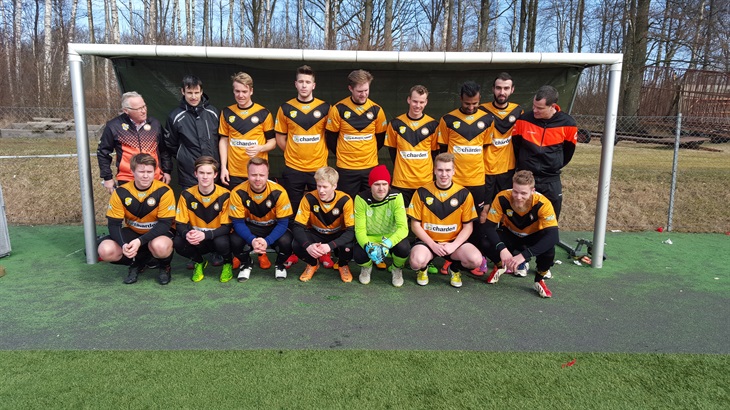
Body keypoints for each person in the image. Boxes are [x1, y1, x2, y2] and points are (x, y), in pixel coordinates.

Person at [274, 65, 332, 270]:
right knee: (294, 211)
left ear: (313, 85)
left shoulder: (326, 108)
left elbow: (331, 135)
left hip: (319, 169)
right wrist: (293, 153)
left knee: (321, 211)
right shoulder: (285, 108)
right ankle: (294, 250)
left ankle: (323, 251)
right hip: (293, 168)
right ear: (295, 84)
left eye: (308, 82)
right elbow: (280, 137)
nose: (304, 85)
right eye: (301, 81)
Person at [436, 81, 494, 277]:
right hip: (455, 181)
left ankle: (474, 258)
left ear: (480, 99)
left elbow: (485, 149)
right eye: (467, 103)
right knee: (452, 219)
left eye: (475, 103)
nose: (471, 107)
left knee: (475, 221)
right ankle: (449, 258)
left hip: (477, 180)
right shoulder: (448, 119)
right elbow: (443, 151)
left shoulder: (487, 120)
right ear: (460, 98)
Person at [407, 153, 483, 288]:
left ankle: (454, 269)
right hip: (428, 243)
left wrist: (453, 245)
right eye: (440, 170)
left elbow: (468, 227)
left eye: (448, 170)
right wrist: (432, 245)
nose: (444, 174)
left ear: (454, 171)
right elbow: (415, 226)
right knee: (415, 262)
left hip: (453, 243)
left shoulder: (464, 194)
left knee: (476, 260)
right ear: (434, 171)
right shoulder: (422, 192)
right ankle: (423, 269)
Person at [97, 153, 175, 285]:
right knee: (105, 250)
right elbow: (114, 224)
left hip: (157, 233)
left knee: (160, 246)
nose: (145, 176)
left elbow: (165, 224)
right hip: (133, 231)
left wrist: (140, 241)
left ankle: (164, 266)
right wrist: (123, 245)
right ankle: (137, 263)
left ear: (155, 172)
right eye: (141, 172)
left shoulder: (164, 191)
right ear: (132, 172)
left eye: (149, 172)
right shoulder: (121, 192)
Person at [482, 170, 559, 298]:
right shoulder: (502, 197)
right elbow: (489, 227)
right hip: (511, 234)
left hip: (533, 236)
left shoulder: (543, 203)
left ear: (533, 191)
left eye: (523, 193)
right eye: (515, 191)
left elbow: (553, 236)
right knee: (484, 241)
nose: (518, 197)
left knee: (549, 248)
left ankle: (539, 279)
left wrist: (524, 255)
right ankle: (500, 265)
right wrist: (502, 249)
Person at [511, 85, 578, 219]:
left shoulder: (568, 123)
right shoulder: (523, 120)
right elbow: (516, 146)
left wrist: (553, 164)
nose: (535, 110)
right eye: (534, 106)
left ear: (552, 106)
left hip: (551, 179)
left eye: (540, 108)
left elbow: (568, 152)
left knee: (550, 219)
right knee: (521, 218)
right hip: (526, 178)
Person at [228, 157, 294, 281]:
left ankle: (280, 265)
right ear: (247, 174)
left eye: (261, 175)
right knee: (234, 240)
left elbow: (283, 223)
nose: (257, 179)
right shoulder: (237, 192)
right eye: (253, 175)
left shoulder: (279, 192)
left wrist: (267, 241)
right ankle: (246, 263)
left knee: (287, 240)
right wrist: (252, 240)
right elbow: (238, 223)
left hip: (272, 227)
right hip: (250, 227)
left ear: (267, 174)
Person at [325, 69, 388, 199]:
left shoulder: (377, 110)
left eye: (366, 90)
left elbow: (380, 139)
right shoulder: (338, 109)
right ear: (350, 88)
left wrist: (367, 153)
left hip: (370, 167)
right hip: (346, 168)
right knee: (347, 204)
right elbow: (331, 139)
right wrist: (344, 154)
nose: (363, 94)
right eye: (360, 91)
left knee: (371, 204)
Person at [173, 156, 235, 283]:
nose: (205, 177)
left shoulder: (225, 195)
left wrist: (205, 235)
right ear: (195, 174)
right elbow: (180, 224)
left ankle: (227, 263)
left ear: (215, 175)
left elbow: (227, 227)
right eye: (201, 173)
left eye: (209, 173)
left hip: (217, 237)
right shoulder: (187, 195)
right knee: (178, 242)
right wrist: (187, 234)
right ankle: (199, 262)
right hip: (198, 240)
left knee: (222, 242)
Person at [98, 91, 172, 194]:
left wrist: (167, 171)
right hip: (128, 179)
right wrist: (107, 178)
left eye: (144, 106)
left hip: (154, 178)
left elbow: (164, 150)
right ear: (126, 110)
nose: (143, 111)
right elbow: (103, 152)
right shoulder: (114, 126)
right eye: (138, 109)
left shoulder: (155, 124)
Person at [291, 166, 355, 283]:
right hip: (316, 233)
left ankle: (343, 265)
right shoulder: (309, 198)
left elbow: (351, 231)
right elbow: (297, 226)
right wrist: (308, 246)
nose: (321, 190)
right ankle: (312, 264)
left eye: (325, 187)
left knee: (348, 246)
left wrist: (329, 246)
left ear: (334, 186)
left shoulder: (345, 200)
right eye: (319, 186)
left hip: (337, 234)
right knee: (297, 244)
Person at [353, 165, 411, 287]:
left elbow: (403, 228)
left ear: (389, 185)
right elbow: (359, 230)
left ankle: (396, 268)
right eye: (377, 184)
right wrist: (368, 246)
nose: (381, 188)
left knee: (404, 248)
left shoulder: (396, 196)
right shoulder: (361, 198)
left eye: (384, 184)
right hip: (371, 237)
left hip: (389, 237)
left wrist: (387, 243)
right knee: (358, 253)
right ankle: (367, 267)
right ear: (370, 185)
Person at [218, 72, 276, 189]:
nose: (240, 95)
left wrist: (260, 148)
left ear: (251, 91)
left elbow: (273, 142)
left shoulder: (263, 113)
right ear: (233, 91)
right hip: (234, 173)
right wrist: (224, 167)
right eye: (237, 91)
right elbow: (223, 141)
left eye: (244, 91)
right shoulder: (227, 112)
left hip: (257, 172)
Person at [384, 84, 439, 207]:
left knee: (424, 217)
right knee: (401, 217)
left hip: (425, 183)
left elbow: (434, 153)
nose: (418, 105)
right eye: (415, 101)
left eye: (421, 102)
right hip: (401, 183)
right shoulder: (395, 124)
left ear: (426, 102)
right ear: (408, 100)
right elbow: (392, 151)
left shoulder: (433, 125)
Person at [165, 75, 221, 190]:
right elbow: (170, 145)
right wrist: (185, 157)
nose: (194, 97)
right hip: (189, 174)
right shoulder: (174, 116)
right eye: (190, 93)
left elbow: (222, 140)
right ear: (182, 91)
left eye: (196, 92)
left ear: (202, 92)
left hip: (214, 173)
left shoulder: (214, 112)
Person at [479, 72, 524, 210]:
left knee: (503, 207)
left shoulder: (518, 111)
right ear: (493, 89)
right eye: (498, 88)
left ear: (512, 90)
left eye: (506, 88)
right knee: (484, 209)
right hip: (485, 168)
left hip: (507, 169)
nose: (502, 92)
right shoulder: (481, 110)